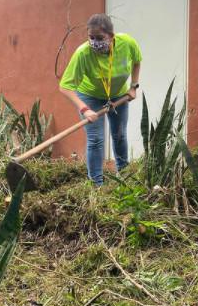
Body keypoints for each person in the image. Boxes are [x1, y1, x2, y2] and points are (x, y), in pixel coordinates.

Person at [59, 13, 142, 185]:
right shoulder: (83, 53)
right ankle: (96, 184)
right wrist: (85, 109)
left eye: (100, 37)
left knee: (119, 135)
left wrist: (133, 86)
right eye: (91, 37)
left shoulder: (127, 43)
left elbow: (137, 61)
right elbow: (65, 87)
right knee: (96, 139)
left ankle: (124, 176)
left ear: (111, 36)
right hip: (90, 97)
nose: (95, 42)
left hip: (118, 95)